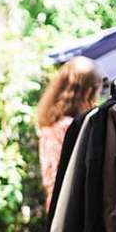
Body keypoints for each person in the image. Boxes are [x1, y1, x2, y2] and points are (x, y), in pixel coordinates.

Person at [36, 56, 102, 208]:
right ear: (88, 92)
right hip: (71, 206)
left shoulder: (50, 123)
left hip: (54, 203)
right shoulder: (72, 127)